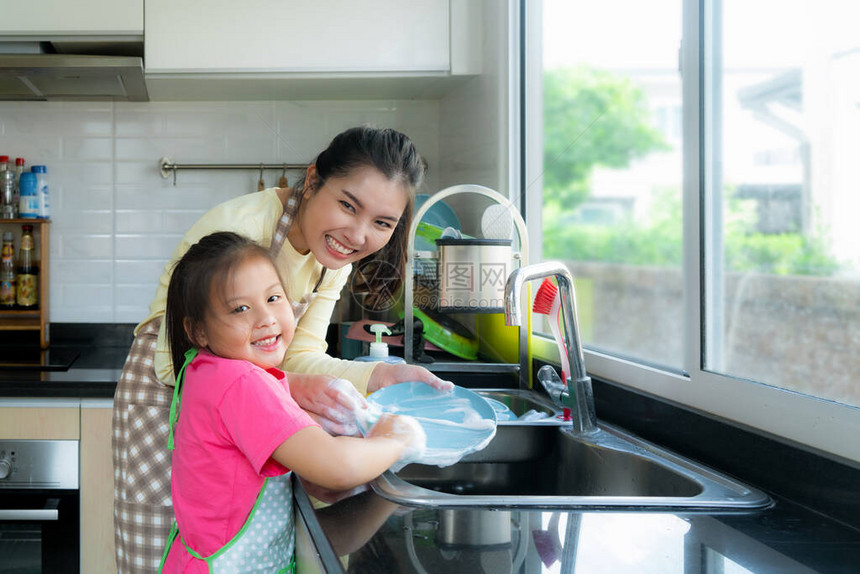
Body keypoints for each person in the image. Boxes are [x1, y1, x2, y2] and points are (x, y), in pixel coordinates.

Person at [113, 126, 451, 573]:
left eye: (382, 223)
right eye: (348, 205)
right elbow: (176, 353)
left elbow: (299, 353)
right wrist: (287, 388)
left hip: (242, 401)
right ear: (313, 181)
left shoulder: (332, 257)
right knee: (169, 552)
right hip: (167, 398)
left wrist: (378, 377)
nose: (357, 234)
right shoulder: (242, 232)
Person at [158, 231, 422, 573]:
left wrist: (385, 497)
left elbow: (327, 522)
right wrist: (396, 439)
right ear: (199, 331)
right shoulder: (241, 383)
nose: (266, 318)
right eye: (240, 308)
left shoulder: (204, 369)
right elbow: (337, 466)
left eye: (273, 298)